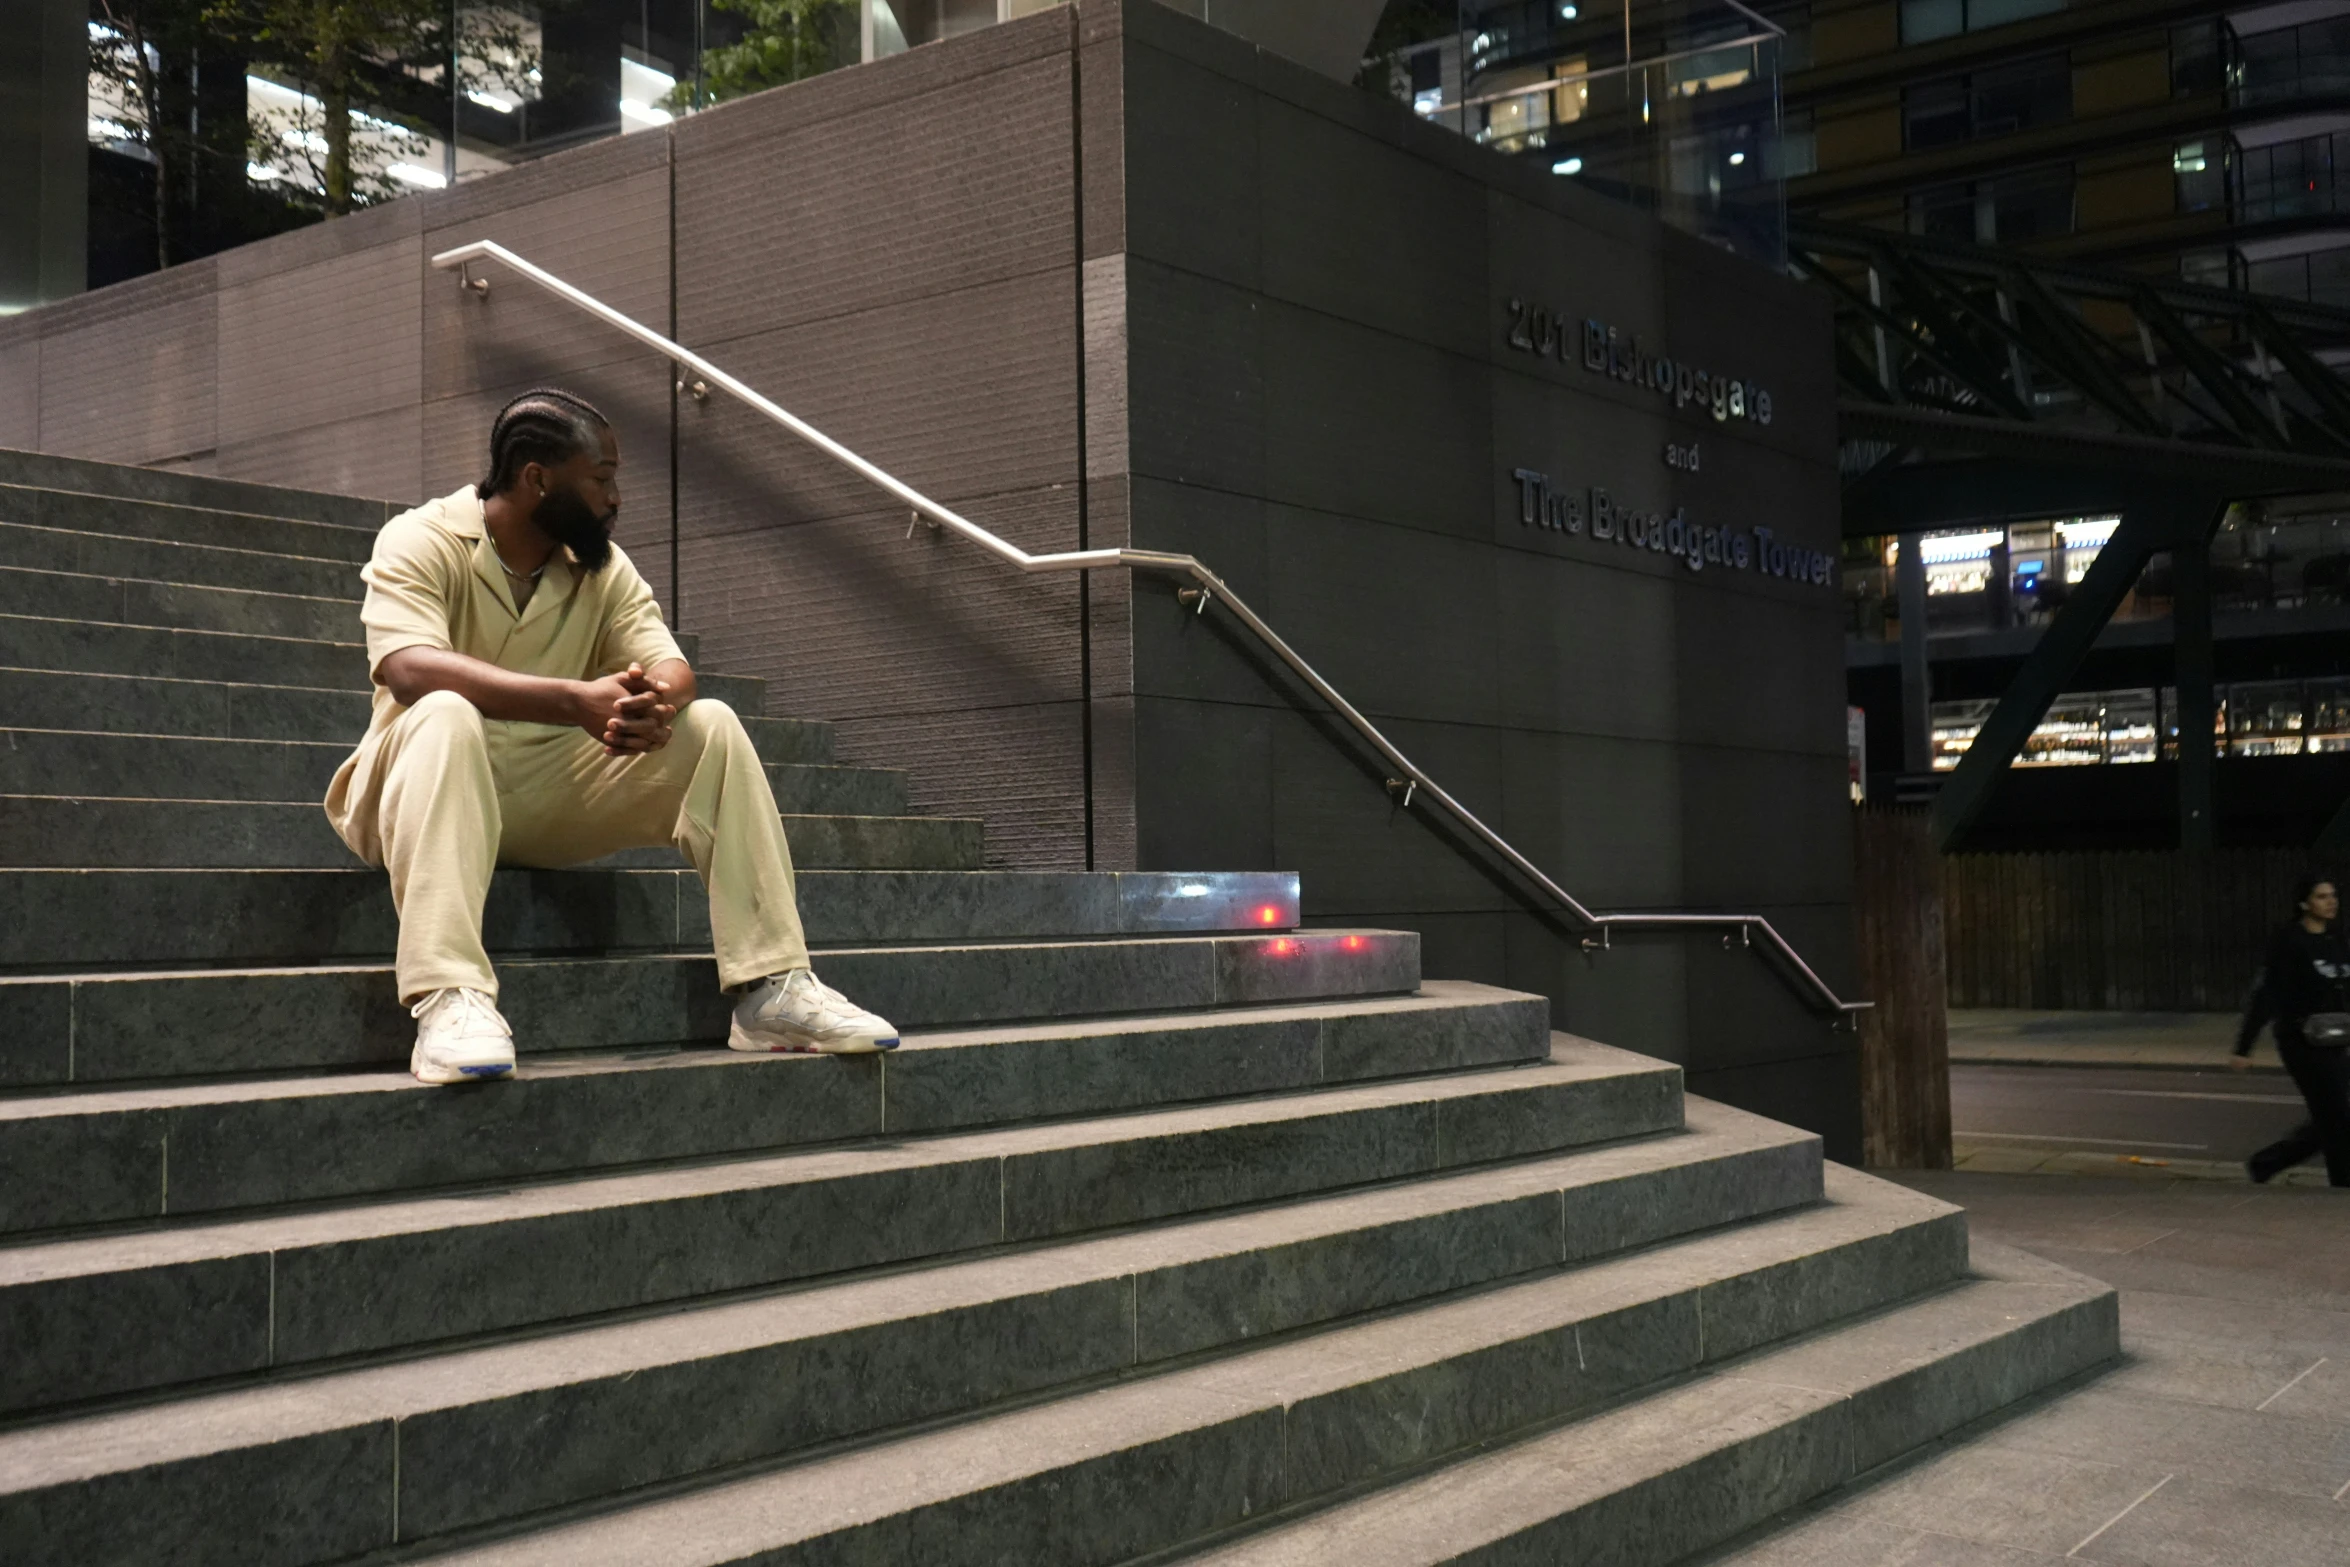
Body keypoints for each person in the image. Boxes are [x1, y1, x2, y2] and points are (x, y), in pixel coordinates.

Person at [325, 388, 898, 1085]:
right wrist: (575, 700)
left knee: (711, 723)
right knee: (447, 712)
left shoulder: (600, 566)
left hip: (537, 794)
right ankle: (449, 997)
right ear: (537, 478)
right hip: (414, 784)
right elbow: (408, 668)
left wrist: (654, 704)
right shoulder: (423, 537)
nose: (615, 497)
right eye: (601, 478)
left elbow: (668, 665)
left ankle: (772, 989)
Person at [2235, 873, 2350, 1184]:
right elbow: (2266, 992)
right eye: (2322, 896)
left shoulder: (2335, 938)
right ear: (2304, 903)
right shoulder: (2290, 940)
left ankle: (2267, 1163)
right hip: (2300, 1040)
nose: (2331, 902)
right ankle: (2342, 1181)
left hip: (2335, 1036)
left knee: (2334, 1115)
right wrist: (2244, 1046)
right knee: (2337, 1113)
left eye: (2333, 896)